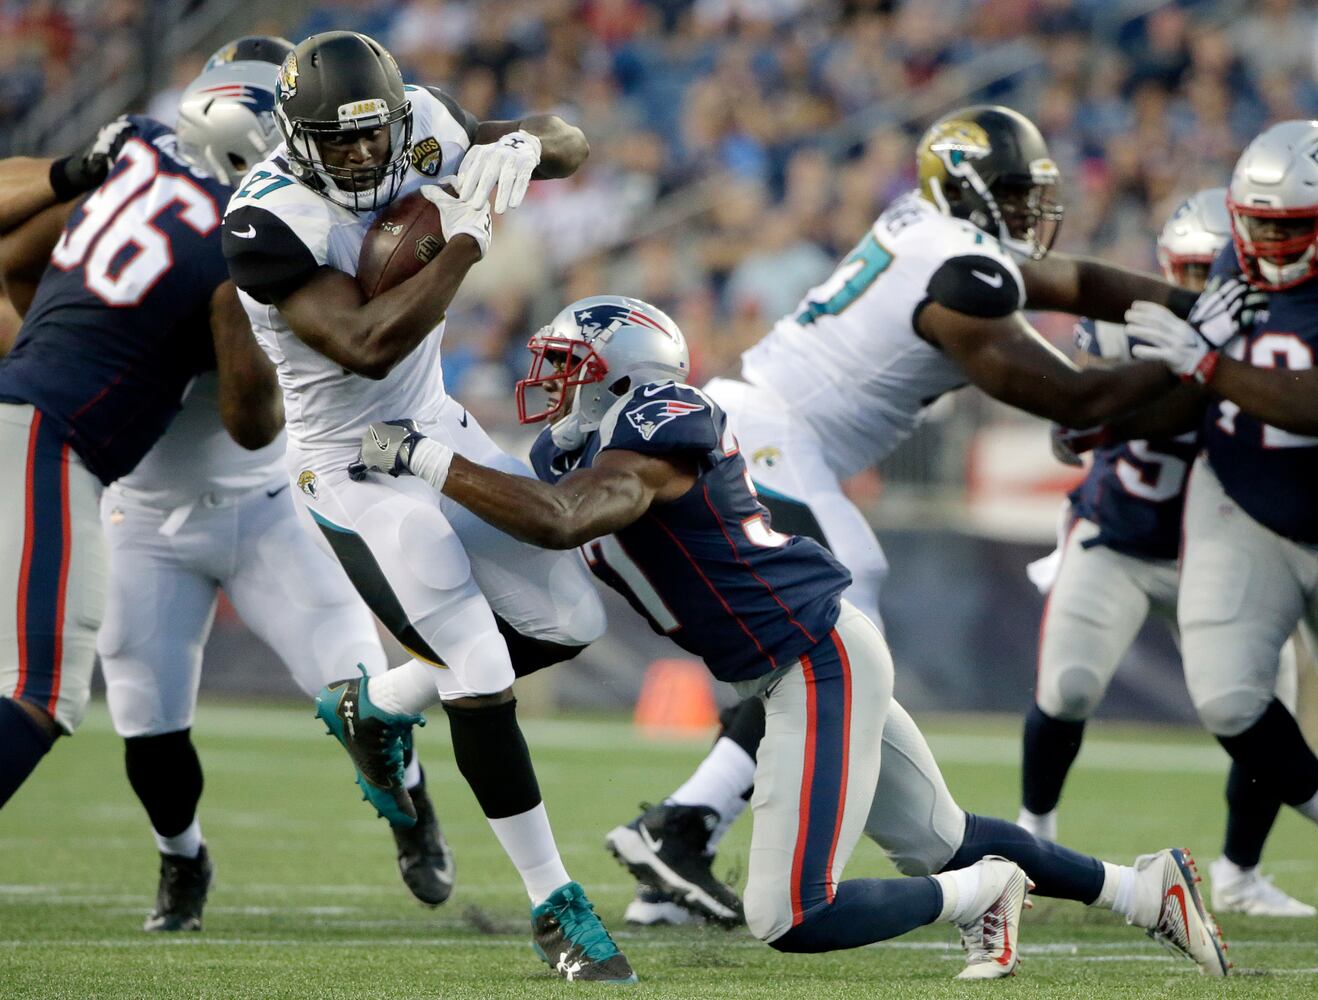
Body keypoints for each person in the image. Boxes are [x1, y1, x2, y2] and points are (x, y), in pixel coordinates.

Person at [354, 294, 1230, 979]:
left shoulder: (661, 424)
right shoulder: (574, 451)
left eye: (570, 367)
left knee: (790, 913)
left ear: (625, 376)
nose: (552, 383)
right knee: (945, 838)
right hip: (804, 661)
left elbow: (562, 518)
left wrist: (430, 458)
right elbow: (534, 527)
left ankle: (982, 896)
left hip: (813, 660)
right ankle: (1143, 890)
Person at [601, 104, 1200, 926]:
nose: (1029, 213)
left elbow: (1084, 284)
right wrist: (1202, 359)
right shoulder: (959, 272)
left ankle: (678, 858)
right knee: (836, 631)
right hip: (776, 436)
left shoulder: (937, 236)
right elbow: (1075, 396)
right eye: (1013, 194)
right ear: (963, 190)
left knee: (806, 648)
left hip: (763, 427)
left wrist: (1197, 306)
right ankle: (685, 824)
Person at [220, 31, 632, 983]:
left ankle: (376, 706)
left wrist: (522, 146)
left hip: (432, 425)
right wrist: (467, 235)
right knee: (478, 662)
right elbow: (365, 344)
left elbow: (568, 143)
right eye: (341, 138)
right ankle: (556, 905)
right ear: (295, 136)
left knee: (571, 620)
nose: (366, 153)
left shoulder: (426, 127)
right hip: (349, 463)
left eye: (377, 133)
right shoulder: (264, 218)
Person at [1017, 187, 1314, 917]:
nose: (1194, 287)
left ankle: (1240, 874)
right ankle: (1032, 840)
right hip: (1119, 538)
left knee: (1257, 708)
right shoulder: (1131, 325)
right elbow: (1077, 412)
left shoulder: (1269, 331)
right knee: (1069, 687)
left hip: (1224, 547)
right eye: (1185, 271)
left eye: (1206, 271)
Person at [1107, 119, 1318, 896]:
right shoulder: (1232, 257)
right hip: (1244, 499)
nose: (1267, 241)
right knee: (1229, 696)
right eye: (1255, 222)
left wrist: (1206, 361)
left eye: (1288, 227)